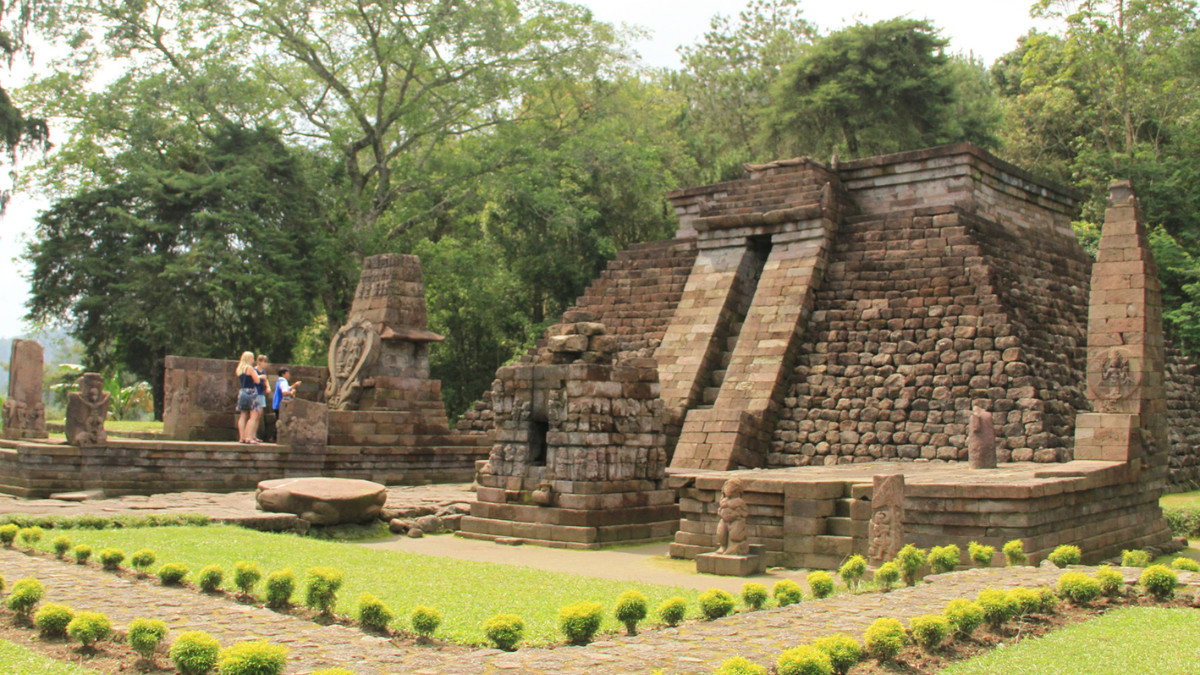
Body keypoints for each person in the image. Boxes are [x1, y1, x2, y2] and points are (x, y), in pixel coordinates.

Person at [235, 351, 264, 444]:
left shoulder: (239, 368)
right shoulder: (249, 368)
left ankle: (242, 437)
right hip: (251, 392)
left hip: (242, 392)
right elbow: (256, 380)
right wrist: (261, 377)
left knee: (243, 415)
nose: (253, 360)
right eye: (252, 358)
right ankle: (249, 437)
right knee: (253, 416)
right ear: (248, 359)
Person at [268, 367, 302, 443]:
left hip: (277, 405)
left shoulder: (280, 382)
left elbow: (287, 388)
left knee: (279, 420)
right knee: (281, 421)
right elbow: (285, 392)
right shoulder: (283, 382)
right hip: (280, 405)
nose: (289, 375)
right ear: (283, 374)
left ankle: (274, 437)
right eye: (288, 373)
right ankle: (274, 437)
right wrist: (292, 393)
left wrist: (295, 385)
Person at [251, 354, 272, 442]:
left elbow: (266, 380)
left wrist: (268, 387)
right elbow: (252, 380)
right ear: (259, 362)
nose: (265, 364)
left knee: (259, 415)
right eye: (264, 362)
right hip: (255, 393)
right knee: (254, 416)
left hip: (261, 393)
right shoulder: (254, 370)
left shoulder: (263, 371)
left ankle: (254, 435)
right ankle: (251, 435)